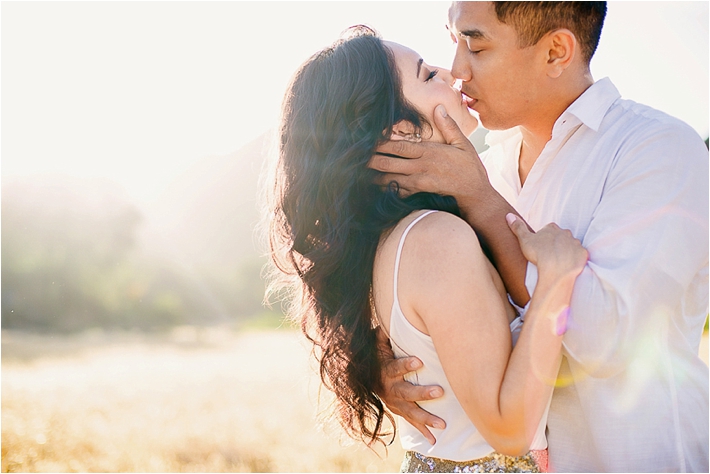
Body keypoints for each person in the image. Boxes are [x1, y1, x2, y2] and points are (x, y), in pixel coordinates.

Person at [370, 2, 709, 472]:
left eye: (475, 44)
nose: (456, 70)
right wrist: (383, 363)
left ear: (555, 52)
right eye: (452, 42)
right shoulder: (483, 171)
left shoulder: (659, 150)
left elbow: (605, 342)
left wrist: (484, 203)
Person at [267, 26, 588, 472]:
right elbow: (510, 430)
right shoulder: (437, 240)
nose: (449, 71)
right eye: (426, 74)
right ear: (402, 130)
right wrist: (555, 278)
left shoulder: (392, 238)